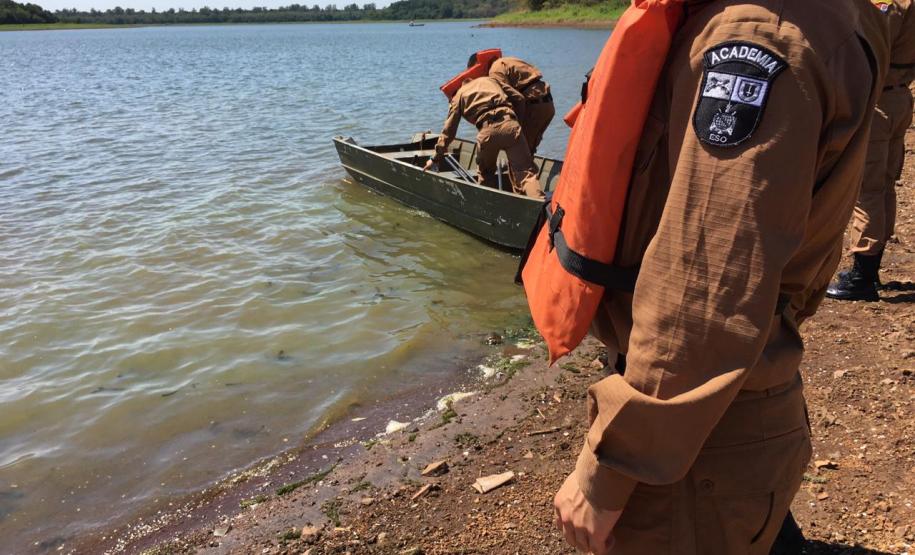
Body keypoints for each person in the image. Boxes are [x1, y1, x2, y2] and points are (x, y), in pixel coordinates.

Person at [541, 1, 889, 554]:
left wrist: (611, 468)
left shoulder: (756, 39)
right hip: (722, 410)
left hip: (694, 435)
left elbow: (706, 287)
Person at [827, 0, 915, 301]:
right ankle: (871, 265)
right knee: (884, 185)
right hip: (899, 96)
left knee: (868, 190)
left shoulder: (888, 3)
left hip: (879, 100)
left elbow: (872, 44)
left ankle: (862, 276)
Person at [423, 76, 544, 198]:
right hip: (511, 124)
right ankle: (540, 208)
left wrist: (435, 158)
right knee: (526, 173)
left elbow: (449, 131)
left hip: (487, 132)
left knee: (486, 175)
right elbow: (519, 98)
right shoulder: (491, 80)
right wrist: (517, 123)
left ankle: (488, 208)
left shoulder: (458, 95)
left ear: (461, 86)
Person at [485, 55, 556, 155]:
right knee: (529, 149)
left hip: (534, 108)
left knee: (517, 150)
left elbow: (519, 99)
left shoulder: (494, 71)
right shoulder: (509, 60)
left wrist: (518, 127)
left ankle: (521, 169)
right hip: (547, 105)